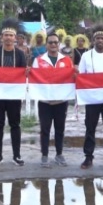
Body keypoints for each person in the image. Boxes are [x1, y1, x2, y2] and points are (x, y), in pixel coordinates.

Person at [0, 19, 28, 166]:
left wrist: (27, 72)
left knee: (15, 124)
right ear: (2, 37)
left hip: (14, 95)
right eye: (6, 35)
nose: (8, 38)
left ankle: (16, 155)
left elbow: (24, 72)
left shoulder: (21, 54)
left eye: (11, 35)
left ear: (15, 38)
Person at [32, 33, 74, 168]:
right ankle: (44, 155)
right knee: (45, 129)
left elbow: (72, 77)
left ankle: (59, 154)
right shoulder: (38, 60)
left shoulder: (67, 60)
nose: (53, 45)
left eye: (56, 42)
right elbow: (34, 78)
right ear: (46, 45)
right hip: (45, 102)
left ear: (59, 44)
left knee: (59, 129)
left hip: (61, 101)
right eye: (50, 42)